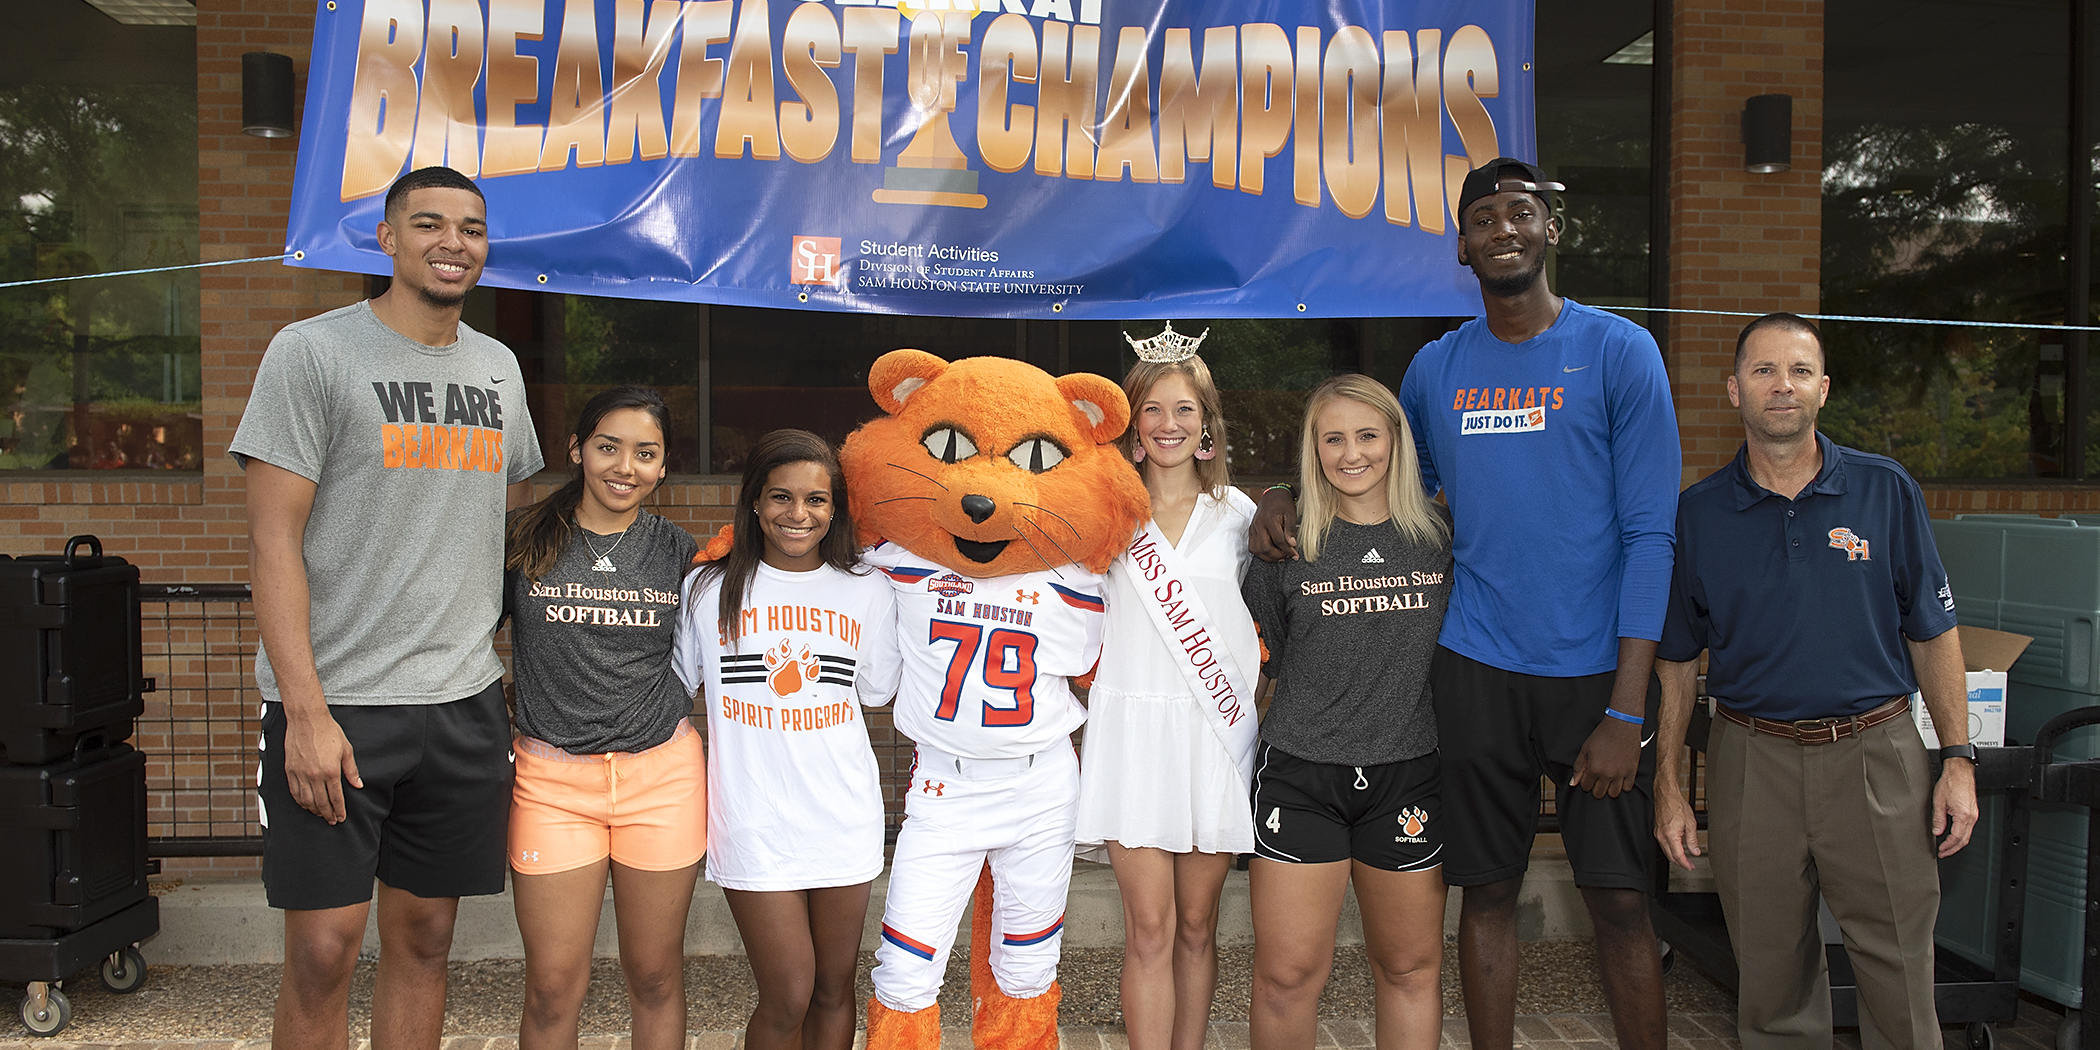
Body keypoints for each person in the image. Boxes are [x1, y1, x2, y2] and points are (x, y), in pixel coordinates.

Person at [1251, 157, 1679, 1050]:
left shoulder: (1619, 351)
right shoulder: (1437, 369)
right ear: (1462, 245)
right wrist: (1284, 495)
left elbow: (1653, 538)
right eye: (1483, 219)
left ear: (1550, 229)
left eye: (1520, 214)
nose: (1504, 231)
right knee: (1485, 895)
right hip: (1477, 669)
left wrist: (1627, 708)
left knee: (1621, 904)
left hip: (1594, 675)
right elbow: (1380, 473)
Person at [233, 165, 543, 1050]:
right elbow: (270, 544)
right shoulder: (312, 351)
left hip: (460, 702)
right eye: (431, 224)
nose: (454, 244)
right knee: (324, 952)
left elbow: (511, 520)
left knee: (425, 938)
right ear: (388, 238)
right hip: (339, 708)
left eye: (472, 229)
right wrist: (303, 713)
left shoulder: (499, 368)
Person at [1653, 313, 1976, 1050]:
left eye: (1799, 371)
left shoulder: (1885, 491)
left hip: (1876, 754)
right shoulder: (1697, 516)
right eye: (1764, 371)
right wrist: (1669, 783)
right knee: (1771, 982)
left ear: (1823, 389)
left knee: (1898, 968)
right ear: (1732, 390)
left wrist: (1958, 759)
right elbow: (1676, 661)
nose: (1782, 386)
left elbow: (1933, 632)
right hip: (1748, 758)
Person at [1240, 374, 1453, 1050]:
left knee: (1411, 968)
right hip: (1302, 777)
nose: (1351, 453)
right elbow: (1264, 660)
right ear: (1313, 449)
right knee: (1286, 975)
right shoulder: (1286, 542)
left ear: (1397, 440)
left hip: (1408, 775)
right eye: (1333, 438)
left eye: (1368, 435)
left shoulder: (1441, 538)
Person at [674, 429, 900, 1050]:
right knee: (789, 991)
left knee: (834, 987)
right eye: (781, 497)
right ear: (753, 501)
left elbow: (877, 691)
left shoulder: (867, 589)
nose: (799, 515)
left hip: (842, 813)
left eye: (817, 500)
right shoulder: (708, 589)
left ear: (836, 508)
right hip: (754, 819)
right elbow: (673, 687)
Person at [503, 386, 702, 1050]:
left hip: (661, 780)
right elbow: (466, 633)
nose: (626, 467)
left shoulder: (681, 555)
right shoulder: (524, 538)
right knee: (554, 985)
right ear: (577, 450)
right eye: (608, 447)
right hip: (552, 783)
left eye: (646, 453)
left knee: (653, 978)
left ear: (664, 465)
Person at [1074, 343, 1258, 1050]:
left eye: (1184, 409)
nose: (1168, 423)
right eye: (1152, 409)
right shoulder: (1105, 514)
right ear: (1132, 424)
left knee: (1195, 925)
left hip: (1213, 738)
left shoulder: (1241, 516)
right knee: (1147, 928)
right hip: (1132, 739)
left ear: (1207, 424)